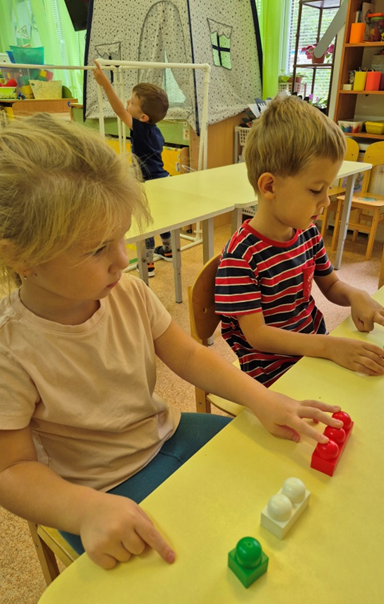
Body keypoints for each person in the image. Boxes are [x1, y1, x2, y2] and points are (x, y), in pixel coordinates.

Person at [0, 114, 344, 571]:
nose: (123, 259)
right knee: (195, 565)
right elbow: (11, 470)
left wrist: (261, 398)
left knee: (275, 468)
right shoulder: (10, 348)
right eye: (97, 248)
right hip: (96, 491)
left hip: (166, 433)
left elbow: (190, 356)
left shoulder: (128, 292)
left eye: (121, 237)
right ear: (20, 256)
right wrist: (83, 511)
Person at [215, 95, 384, 387]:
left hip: (314, 354)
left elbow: (330, 285)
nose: (326, 201)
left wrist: (355, 295)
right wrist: (328, 347)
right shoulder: (240, 258)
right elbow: (258, 336)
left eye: (328, 189)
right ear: (270, 186)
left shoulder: (307, 232)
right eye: (316, 189)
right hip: (273, 376)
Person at [93, 60, 171, 277]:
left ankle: (148, 263)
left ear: (143, 117)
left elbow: (119, 110)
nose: (127, 102)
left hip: (145, 180)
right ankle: (168, 249)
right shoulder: (155, 131)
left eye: (133, 102)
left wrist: (105, 84)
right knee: (163, 216)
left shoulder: (141, 129)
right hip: (162, 177)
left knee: (145, 221)